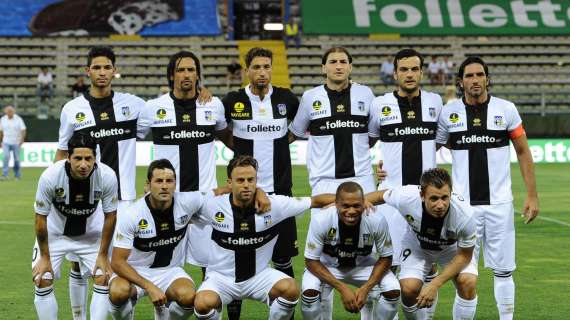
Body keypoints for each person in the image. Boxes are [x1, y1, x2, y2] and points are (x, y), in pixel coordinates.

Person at [436, 56, 539, 320]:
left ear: (487, 79)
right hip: (463, 207)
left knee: (504, 271)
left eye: (480, 75)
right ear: (460, 82)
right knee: (465, 276)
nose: (475, 80)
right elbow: (433, 148)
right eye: (469, 76)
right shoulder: (449, 112)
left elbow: (524, 152)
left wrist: (531, 195)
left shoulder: (506, 109)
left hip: (499, 205)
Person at [54, 45, 146, 320]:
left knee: (121, 265)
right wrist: (58, 191)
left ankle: (122, 315)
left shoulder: (134, 105)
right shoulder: (72, 109)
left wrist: (200, 90)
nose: (102, 72)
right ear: (88, 71)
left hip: (124, 199)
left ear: (115, 71)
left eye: (107, 67)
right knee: (79, 264)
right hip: (87, 200)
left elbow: (172, 110)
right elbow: (62, 152)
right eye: (97, 67)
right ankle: (79, 317)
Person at [108, 159, 257, 320]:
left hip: (169, 271)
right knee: (118, 291)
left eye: (169, 181)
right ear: (148, 184)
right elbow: (117, 262)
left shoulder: (187, 202)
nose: (164, 186)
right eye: (159, 181)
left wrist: (260, 193)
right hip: (135, 271)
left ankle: (165, 317)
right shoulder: (132, 214)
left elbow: (224, 190)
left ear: (175, 184)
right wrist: (150, 287)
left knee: (188, 296)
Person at [289, 46, 376, 319]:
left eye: (343, 61)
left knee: (368, 250)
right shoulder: (311, 97)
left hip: (362, 181)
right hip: (325, 183)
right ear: (323, 67)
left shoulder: (366, 94)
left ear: (350, 66)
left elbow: (372, 135)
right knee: (326, 252)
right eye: (332, 62)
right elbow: (296, 132)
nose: (338, 66)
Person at [193, 155, 335, 320]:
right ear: (229, 183)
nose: (246, 185)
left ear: (256, 181)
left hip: (258, 276)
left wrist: (355, 201)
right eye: (240, 180)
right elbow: (182, 210)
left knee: (290, 288)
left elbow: (315, 201)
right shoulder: (213, 205)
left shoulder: (274, 205)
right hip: (221, 278)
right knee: (202, 303)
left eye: (251, 180)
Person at [139, 50, 232, 287]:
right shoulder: (153, 108)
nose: (186, 74)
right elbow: (126, 142)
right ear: (171, 75)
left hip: (205, 198)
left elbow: (230, 139)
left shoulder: (213, 105)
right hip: (168, 200)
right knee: (164, 264)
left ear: (198, 75)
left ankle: (209, 310)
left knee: (212, 267)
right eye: (181, 70)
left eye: (191, 70)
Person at [221, 46, 301, 319]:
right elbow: (221, 130)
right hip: (242, 195)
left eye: (267, 66)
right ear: (247, 70)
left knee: (282, 258)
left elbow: (297, 130)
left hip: (279, 194)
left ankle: (284, 313)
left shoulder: (286, 99)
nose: (262, 72)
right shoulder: (232, 100)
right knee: (237, 259)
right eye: (256, 67)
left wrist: (277, 144)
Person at [368, 48, 443, 318]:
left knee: (428, 265)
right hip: (391, 198)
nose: (409, 74)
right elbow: (365, 143)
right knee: (388, 262)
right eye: (404, 69)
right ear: (395, 72)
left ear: (422, 72)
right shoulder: (380, 105)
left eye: (414, 69)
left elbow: (445, 141)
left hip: (427, 200)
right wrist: (373, 172)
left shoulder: (435, 102)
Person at [366, 168, 478, 319]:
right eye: (434, 199)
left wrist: (434, 284)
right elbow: (380, 195)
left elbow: (464, 256)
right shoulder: (407, 196)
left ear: (451, 193)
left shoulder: (465, 215)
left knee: (468, 282)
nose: (440, 205)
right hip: (417, 245)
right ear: (422, 196)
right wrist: (359, 202)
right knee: (409, 289)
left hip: (451, 249)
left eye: (445, 198)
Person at [32, 133, 118, 320]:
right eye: (78, 158)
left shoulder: (107, 176)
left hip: (91, 234)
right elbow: (40, 220)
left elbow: (111, 216)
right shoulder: (50, 177)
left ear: (95, 158)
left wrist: (103, 255)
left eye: (88, 158)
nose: (83, 165)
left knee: (103, 277)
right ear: (68, 158)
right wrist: (45, 257)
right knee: (42, 279)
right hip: (55, 234)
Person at [301, 181, 401, 320]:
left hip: (363, 266)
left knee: (393, 290)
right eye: (346, 206)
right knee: (309, 292)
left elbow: (386, 257)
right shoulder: (321, 219)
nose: (351, 211)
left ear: (363, 203)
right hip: (327, 266)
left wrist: (367, 288)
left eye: (356, 206)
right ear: (336, 204)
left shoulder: (376, 219)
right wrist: (342, 288)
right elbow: (311, 260)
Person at [0, 105, 26, 180]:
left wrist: (22, 139)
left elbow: (23, 130)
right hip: (6, 141)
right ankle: (5, 174)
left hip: (16, 142)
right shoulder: (3, 119)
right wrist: (1, 141)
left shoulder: (18, 119)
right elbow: (1, 131)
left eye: (11, 111)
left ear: (13, 112)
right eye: (8, 111)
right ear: (5, 112)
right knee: (6, 156)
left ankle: (17, 175)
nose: (9, 113)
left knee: (17, 159)